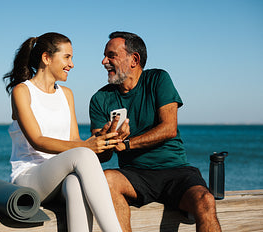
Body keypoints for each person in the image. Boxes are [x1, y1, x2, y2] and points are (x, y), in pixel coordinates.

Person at [89, 31, 221, 232]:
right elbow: (104, 156)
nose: (104, 61)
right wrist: (108, 139)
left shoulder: (158, 79)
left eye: (111, 55)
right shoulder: (99, 99)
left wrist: (127, 144)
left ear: (134, 59)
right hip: (134, 175)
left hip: (175, 171)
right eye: (105, 55)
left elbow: (169, 129)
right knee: (106, 180)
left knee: (205, 200)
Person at [3, 32, 127, 232]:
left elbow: (74, 141)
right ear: (46, 58)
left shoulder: (66, 95)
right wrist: (86, 146)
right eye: (67, 57)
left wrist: (102, 139)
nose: (72, 64)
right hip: (29, 177)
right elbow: (37, 140)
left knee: (75, 184)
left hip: (58, 177)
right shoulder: (22, 91)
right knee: (83, 153)